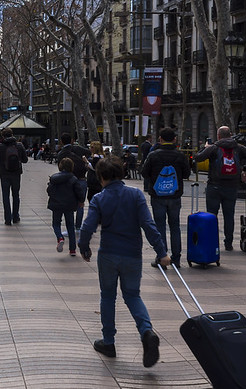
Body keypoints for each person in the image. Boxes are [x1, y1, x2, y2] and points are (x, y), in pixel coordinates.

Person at [77, 156, 169, 368]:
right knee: (132, 295)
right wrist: (161, 253)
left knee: (108, 297)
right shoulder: (135, 195)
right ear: (121, 173)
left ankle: (108, 342)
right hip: (132, 255)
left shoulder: (99, 198)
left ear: (101, 177)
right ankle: (146, 331)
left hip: (108, 254)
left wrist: (84, 247)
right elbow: (148, 225)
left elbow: (87, 227)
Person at [194, 126, 246, 251]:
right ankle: (228, 243)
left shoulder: (214, 148)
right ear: (231, 135)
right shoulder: (239, 148)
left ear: (218, 136)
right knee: (229, 215)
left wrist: (205, 147)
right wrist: (245, 169)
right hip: (231, 187)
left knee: (211, 215)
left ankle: (212, 241)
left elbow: (198, 158)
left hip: (214, 186)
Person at [140, 127, 192, 269]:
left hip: (158, 196)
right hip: (175, 196)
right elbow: (187, 174)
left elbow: (144, 173)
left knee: (160, 226)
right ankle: (176, 259)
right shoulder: (181, 156)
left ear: (160, 139)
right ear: (175, 139)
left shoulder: (153, 155)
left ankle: (161, 258)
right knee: (175, 226)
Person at [48, 157, 83, 256]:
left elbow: (49, 191)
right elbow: (79, 191)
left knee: (56, 224)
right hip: (69, 205)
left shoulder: (54, 178)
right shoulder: (73, 179)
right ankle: (72, 250)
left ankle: (59, 237)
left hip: (56, 204)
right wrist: (81, 201)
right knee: (70, 226)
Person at [0, 128, 29, 225]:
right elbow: (25, 160)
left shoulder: (0, 146)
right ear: (12, 134)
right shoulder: (19, 145)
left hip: (4, 174)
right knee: (16, 195)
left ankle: (7, 219)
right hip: (16, 173)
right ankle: (15, 216)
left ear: (3, 136)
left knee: (5, 196)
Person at [56, 133, 91, 229]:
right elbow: (89, 152)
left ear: (61, 142)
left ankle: (70, 227)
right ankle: (78, 227)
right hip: (81, 179)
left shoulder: (61, 153)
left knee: (69, 205)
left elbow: (60, 168)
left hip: (69, 181)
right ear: (71, 140)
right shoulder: (78, 149)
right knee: (81, 204)